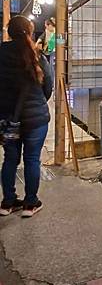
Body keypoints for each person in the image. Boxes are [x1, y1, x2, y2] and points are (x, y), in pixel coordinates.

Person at [0, 15, 53, 217]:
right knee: (32, 160)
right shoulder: (37, 56)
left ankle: (8, 203)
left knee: (10, 160)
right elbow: (48, 87)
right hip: (35, 119)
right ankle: (30, 204)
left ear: (9, 32)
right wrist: (38, 103)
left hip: (8, 118)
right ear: (30, 32)